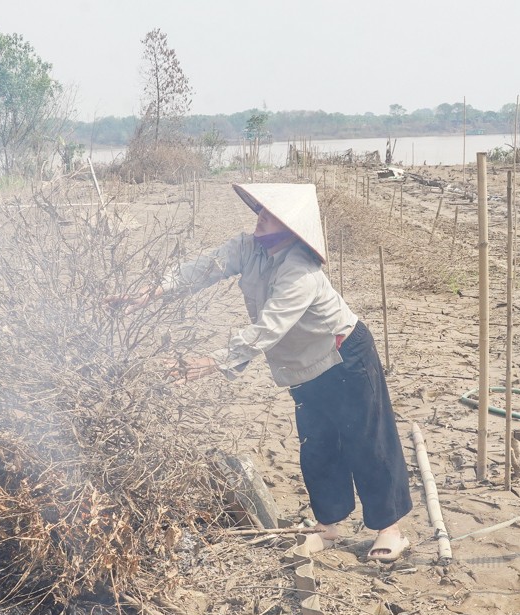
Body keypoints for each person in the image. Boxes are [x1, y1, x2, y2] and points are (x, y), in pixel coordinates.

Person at [121, 183, 413, 561]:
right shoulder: (246, 247)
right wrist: (152, 291)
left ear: (292, 227)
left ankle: (389, 529)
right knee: (317, 445)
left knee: (367, 440)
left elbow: (269, 328)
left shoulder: (301, 271)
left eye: (271, 213)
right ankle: (328, 528)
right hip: (302, 365)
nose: (260, 216)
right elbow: (202, 268)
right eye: (261, 209)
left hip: (344, 354)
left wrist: (210, 362)